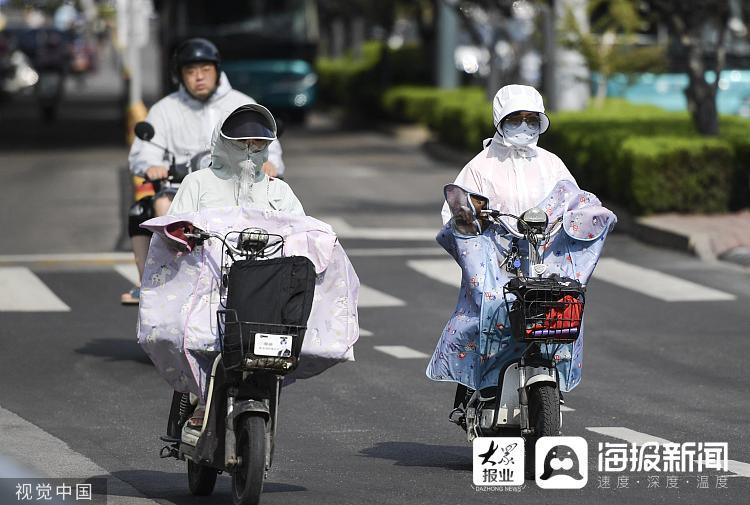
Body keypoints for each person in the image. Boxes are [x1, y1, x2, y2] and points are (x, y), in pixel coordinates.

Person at [167, 103, 303, 428]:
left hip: (264, 288)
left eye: (258, 144)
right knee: (196, 338)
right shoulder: (196, 183)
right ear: (223, 142)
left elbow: (303, 230)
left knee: (287, 344)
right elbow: (173, 229)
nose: (249, 150)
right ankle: (199, 396)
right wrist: (184, 236)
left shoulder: (279, 190)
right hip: (209, 285)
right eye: (241, 142)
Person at [123, 38, 286, 304]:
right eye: (191, 71)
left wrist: (270, 164)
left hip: (239, 187)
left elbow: (270, 146)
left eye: (205, 70)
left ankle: (272, 279)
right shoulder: (165, 110)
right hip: (180, 189)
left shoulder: (242, 104)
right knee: (146, 210)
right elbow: (144, 151)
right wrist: (152, 166)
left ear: (217, 70)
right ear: (180, 76)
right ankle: (154, 283)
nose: (199, 77)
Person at [441, 84, 576, 224]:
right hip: (496, 246)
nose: (524, 126)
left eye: (531, 120)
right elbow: (455, 217)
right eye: (515, 120)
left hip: (547, 245)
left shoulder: (552, 163)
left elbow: (575, 205)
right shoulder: (480, 166)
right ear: (500, 120)